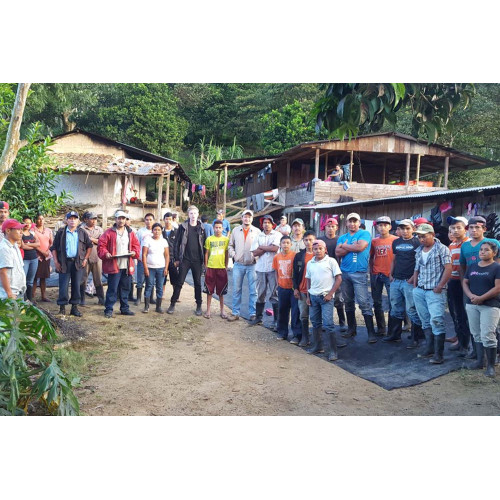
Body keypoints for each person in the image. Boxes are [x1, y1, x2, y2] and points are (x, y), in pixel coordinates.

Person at [459, 215, 500, 360]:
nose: (474, 230)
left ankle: (495, 353)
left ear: (484, 229)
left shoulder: (493, 243)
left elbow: (498, 264)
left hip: (490, 287)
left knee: (491, 324)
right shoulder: (465, 245)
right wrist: (465, 285)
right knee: (473, 321)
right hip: (471, 287)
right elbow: (463, 266)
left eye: (477, 227)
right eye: (471, 227)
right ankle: (477, 352)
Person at [412, 223, 452, 364]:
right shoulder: (419, 250)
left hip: (435, 291)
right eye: (419, 236)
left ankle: (438, 354)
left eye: (424, 236)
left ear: (432, 235)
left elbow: (448, 268)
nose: (421, 239)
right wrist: (415, 285)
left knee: (436, 320)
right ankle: (429, 348)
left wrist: (440, 286)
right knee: (425, 320)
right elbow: (416, 269)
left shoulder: (442, 249)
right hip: (420, 289)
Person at [335, 213, 376, 343]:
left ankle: (371, 333)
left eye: (355, 221)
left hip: (359, 273)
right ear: (346, 223)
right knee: (348, 301)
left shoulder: (365, 234)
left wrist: (345, 246)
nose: (352, 224)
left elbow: (360, 247)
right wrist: (352, 247)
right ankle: (351, 329)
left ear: (359, 223)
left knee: (363, 302)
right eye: (350, 221)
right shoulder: (342, 237)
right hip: (345, 272)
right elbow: (337, 252)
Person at [462, 241, 500, 377]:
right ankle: (480, 361)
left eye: (486, 250)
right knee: (476, 333)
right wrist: (471, 296)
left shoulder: (497, 268)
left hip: (490, 306)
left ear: (494, 253)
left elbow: (498, 288)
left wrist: (481, 298)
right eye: (481, 250)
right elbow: (465, 282)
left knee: (488, 335)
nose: (482, 252)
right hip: (472, 304)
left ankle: (491, 367)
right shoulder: (472, 266)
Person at [385, 219, 423, 345]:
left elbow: (420, 262)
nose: (405, 231)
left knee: (411, 309)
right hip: (396, 280)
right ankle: (395, 335)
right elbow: (394, 259)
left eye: (407, 228)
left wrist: (413, 278)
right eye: (402, 229)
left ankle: (416, 337)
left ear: (413, 229)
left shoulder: (417, 242)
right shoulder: (396, 242)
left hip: (409, 281)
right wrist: (390, 274)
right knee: (395, 308)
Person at [305, 239, 344, 361]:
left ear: (325, 249)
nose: (318, 251)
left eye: (320, 248)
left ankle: (333, 351)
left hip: (326, 297)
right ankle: (318, 346)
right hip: (313, 297)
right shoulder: (310, 263)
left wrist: (330, 294)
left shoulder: (331, 261)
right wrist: (308, 296)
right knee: (315, 322)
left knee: (328, 324)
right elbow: (308, 280)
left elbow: (339, 279)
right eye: (315, 249)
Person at [97, 210, 140, 319]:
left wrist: (134, 252)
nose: (121, 220)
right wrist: (106, 253)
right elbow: (101, 246)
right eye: (119, 218)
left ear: (126, 220)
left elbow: (136, 245)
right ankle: (109, 309)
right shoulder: (109, 232)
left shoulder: (130, 232)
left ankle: (124, 308)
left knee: (125, 288)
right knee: (112, 288)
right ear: (115, 219)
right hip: (114, 265)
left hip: (127, 265)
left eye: (123, 218)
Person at [51, 211, 93, 316]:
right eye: (70, 218)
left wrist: (85, 259)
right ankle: (62, 308)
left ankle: (74, 308)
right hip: (64, 263)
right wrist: (56, 261)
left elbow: (89, 246)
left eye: (75, 218)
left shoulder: (82, 232)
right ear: (66, 220)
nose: (72, 221)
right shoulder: (61, 232)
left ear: (78, 220)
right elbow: (54, 247)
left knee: (76, 285)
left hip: (78, 263)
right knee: (63, 285)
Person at [167, 205, 206, 316]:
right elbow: (177, 243)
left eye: (195, 213)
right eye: (191, 213)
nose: (193, 215)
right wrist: (176, 258)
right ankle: (172, 303)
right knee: (179, 282)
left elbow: (204, 245)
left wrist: (204, 261)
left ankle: (199, 305)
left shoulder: (202, 228)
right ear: (188, 214)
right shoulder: (183, 227)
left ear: (198, 214)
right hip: (185, 259)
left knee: (197, 283)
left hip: (197, 260)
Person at [227, 209, 261, 322]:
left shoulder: (257, 231)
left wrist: (256, 258)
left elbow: (261, 247)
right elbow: (230, 245)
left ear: (252, 218)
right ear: (242, 218)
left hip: (252, 265)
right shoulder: (235, 230)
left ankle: (253, 313)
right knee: (236, 289)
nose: (247, 219)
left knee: (253, 291)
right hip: (238, 264)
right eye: (245, 217)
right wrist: (234, 255)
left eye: (249, 217)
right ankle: (235, 312)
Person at [250, 215, 282, 327]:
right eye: (264, 222)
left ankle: (276, 321)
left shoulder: (277, 235)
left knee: (274, 294)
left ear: (272, 224)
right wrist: (268, 247)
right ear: (262, 224)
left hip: (273, 269)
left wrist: (261, 247)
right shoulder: (258, 235)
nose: (266, 224)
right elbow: (254, 252)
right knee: (260, 293)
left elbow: (275, 248)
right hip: (260, 269)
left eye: (269, 222)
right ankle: (259, 318)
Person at [446, 216, 472, 355]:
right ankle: (461, 341)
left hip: (466, 283)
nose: (455, 230)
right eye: (452, 228)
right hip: (453, 281)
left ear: (465, 229)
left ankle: (468, 345)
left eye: (458, 228)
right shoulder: (452, 245)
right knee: (456, 312)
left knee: (466, 314)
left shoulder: (468, 244)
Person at [369, 216, 398, 335]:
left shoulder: (396, 240)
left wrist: (394, 272)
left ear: (390, 227)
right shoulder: (374, 241)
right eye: (380, 225)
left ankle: (392, 330)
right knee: (377, 302)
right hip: (377, 274)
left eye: (385, 225)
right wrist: (371, 271)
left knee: (393, 302)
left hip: (390, 275)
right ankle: (381, 328)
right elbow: (371, 257)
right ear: (377, 227)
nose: (382, 227)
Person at [319, 217, 347, 332]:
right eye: (328, 226)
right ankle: (324, 322)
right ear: (325, 227)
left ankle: (342, 322)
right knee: (322, 297)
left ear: (336, 228)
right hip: (322, 273)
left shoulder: (340, 240)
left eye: (332, 226)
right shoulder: (320, 240)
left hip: (336, 273)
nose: (330, 228)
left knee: (339, 299)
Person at [293, 230, 316, 347]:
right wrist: (295, 288)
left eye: (310, 240)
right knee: (303, 315)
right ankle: (305, 337)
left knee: (316, 317)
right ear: (303, 241)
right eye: (306, 240)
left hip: (316, 291)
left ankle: (317, 340)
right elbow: (295, 273)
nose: (308, 242)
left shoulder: (320, 254)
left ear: (315, 240)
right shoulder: (299, 256)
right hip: (302, 290)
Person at [203, 219, 229, 319]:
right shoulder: (209, 239)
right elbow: (206, 253)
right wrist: (206, 265)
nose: (218, 229)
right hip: (211, 267)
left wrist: (226, 266)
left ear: (223, 229)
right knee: (209, 290)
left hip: (221, 268)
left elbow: (226, 253)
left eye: (219, 228)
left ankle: (222, 310)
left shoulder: (226, 240)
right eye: (216, 227)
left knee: (221, 291)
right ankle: (208, 310)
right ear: (213, 228)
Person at [142, 222, 170, 314]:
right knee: (149, 286)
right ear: (152, 231)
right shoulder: (148, 240)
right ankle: (146, 306)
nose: (157, 232)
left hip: (161, 268)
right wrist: (145, 268)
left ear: (161, 231)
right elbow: (144, 254)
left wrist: (166, 268)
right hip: (150, 268)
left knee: (160, 287)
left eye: (159, 230)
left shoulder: (164, 241)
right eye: (155, 230)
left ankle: (158, 307)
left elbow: (167, 255)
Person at [273, 236, 296, 340]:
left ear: (291, 244)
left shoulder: (295, 256)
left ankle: (296, 334)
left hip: (293, 288)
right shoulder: (277, 257)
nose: (285, 245)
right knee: (282, 310)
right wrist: (277, 284)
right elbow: (276, 271)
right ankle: (282, 332)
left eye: (287, 243)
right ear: (280, 244)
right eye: (283, 243)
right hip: (282, 287)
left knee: (295, 311)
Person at [80, 212, 105, 306]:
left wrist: (91, 239)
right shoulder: (81, 229)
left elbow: (102, 242)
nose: (94, 221)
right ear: (86, 219)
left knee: (98, 279)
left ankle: (101, 299)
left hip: (97, 257)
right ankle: (82, 299)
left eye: (95, 219)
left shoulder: (99, 229)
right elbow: (81, 242)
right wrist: (95, 240)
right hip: (84, 258)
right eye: (91, 219)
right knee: (83, 279)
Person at [0, 219, 26, 299]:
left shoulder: (15, 246)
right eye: (18, 229)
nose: (21, 232)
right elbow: (3, 272)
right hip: (9, 295)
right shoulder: (4, 248)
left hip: (17, 292)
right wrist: (9, 293)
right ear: (8, 231)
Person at [134, 213, 155, 306]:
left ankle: (151, 298)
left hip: (152, 260)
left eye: (150, 220)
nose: (149, 221)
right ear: (144, 221)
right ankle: (138, 298)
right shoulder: (141, 232)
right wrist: (138, 256)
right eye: (147, 220)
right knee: (140, 280)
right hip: (142, 259)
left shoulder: (156, 230)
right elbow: (137, 244)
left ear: (153, 220)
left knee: (151, 280)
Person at [20, 216, 40, 303]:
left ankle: (30, 300)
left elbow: (38, 244)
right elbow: (23, 246)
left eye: (29, 223)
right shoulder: (20, 233)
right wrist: (33, 246)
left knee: (30, 281)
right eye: (26, 222)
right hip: (25, 259)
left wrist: (28, 245)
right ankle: (24, 300)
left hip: (34, 259)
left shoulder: (32, 233)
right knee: (23, 280)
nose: (27, 224)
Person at [162, 212, 179, 299]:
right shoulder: (160, 231)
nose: (168, 221)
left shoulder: (177, 231)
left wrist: (178, 259)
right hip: (162, 259)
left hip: (173, 259)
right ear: (164, 220)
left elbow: (179, 246)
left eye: (170, 219)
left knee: (174, 279)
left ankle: (175, 296)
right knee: (162, 278)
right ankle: (162, 294)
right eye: (166, 219)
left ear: (172, 220)